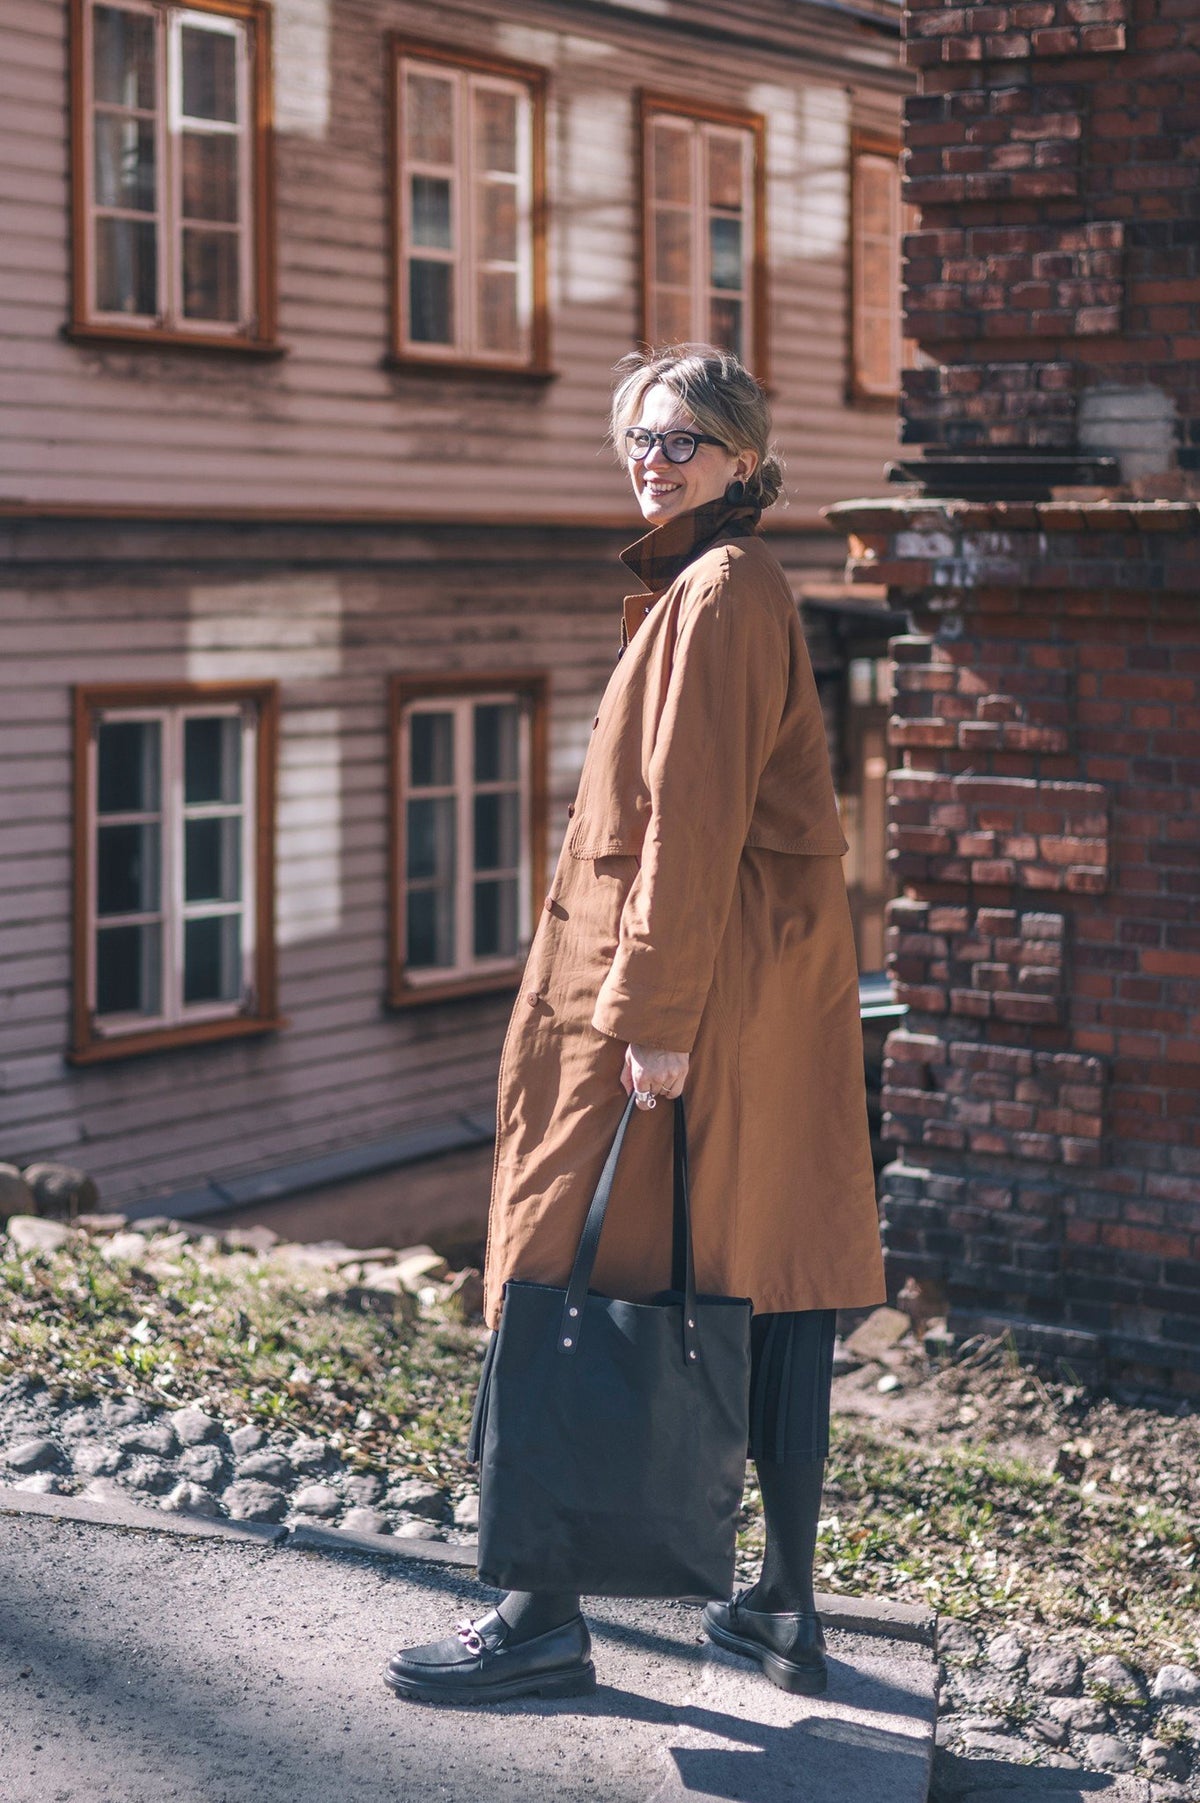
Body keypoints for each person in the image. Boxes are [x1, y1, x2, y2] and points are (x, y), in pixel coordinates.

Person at [385, 345, 886, 1706]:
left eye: (681, 442)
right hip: (746, 997)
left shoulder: (719, 590)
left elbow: (692, 817)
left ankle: (539, 1616)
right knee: (767, 1284)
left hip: (671, 1005)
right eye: (641, 440)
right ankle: (781, 1610)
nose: (652, 460)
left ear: (741, 463)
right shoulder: (717, 586)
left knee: (549, 1261)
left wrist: (651, 1020)